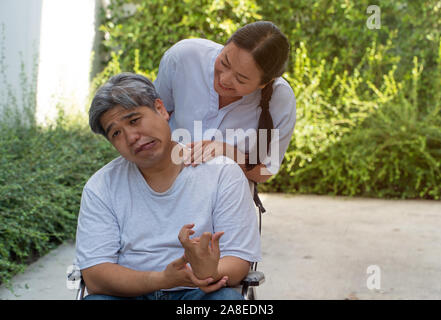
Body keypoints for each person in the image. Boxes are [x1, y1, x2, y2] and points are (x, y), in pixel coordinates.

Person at [75, 73, 261, 300]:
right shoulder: (101, 187)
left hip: (199, 292)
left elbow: (238, 262)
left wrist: (204, 272)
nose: (132, 136)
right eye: (116, 133)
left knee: (228, 301)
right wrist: (163, 279)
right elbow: (95, 275)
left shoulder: (222, 173)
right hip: (130, 294)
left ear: (161, 109)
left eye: (134, 120)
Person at [154, 21, 296, 184]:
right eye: (224, 62)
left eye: (240, 79)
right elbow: (153, 117)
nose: (224, 79)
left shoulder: (280, 98)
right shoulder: (184, 57)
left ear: (264, 83)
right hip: (164, 187)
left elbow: (265, 171)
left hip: (226, 201)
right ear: (226, 44)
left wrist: (229, 153)